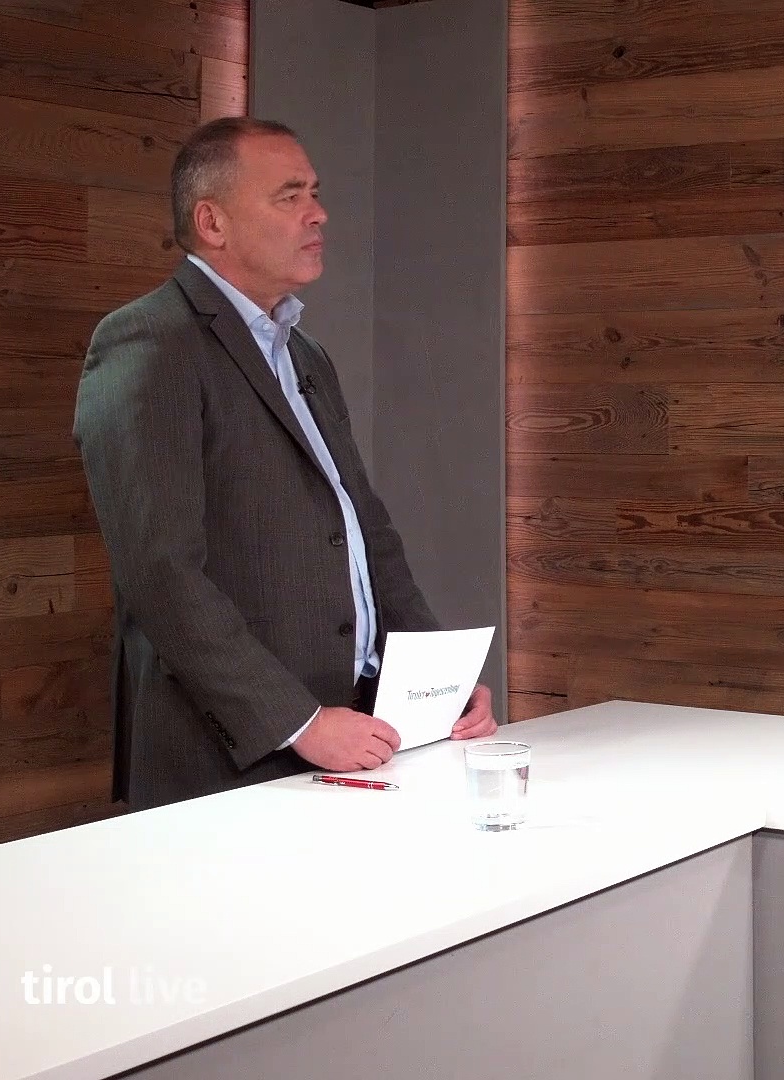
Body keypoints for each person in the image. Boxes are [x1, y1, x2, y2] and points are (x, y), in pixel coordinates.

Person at [74, 117, 496, 810]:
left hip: (356, 734)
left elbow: (363, 531)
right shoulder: (150, 343)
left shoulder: (306, 355)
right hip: (229, 760)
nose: (318, 212)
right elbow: (160, 573)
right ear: (212, 222)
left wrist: (440, 684)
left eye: (315, 192)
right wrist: (298, 722)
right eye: (290, 195)